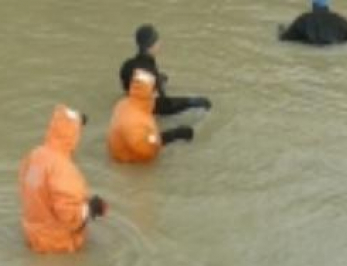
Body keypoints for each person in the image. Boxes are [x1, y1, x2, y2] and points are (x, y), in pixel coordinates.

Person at [18, 105, 107, 253]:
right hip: (58, 245)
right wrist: (91, 208)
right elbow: (69, 215)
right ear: (74, 135)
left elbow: (27, 187)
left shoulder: (35, 155)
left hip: (33, 235)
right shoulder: (63, 168)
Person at [119, 24, 211, 116]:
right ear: (152, 45)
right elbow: (162, 106)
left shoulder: (127, 65)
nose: (160, 44)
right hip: (145, 114)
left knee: (163, 78)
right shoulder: (146, 73)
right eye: (158, 41)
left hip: (133, 103)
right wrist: (191, 102)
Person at [107, 69, 195, 163]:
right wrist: (172, 135)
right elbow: (146, 148)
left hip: (122, 152)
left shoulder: (124, 103)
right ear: (151, 92)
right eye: (156, 90)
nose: (158, 93)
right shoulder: (136, 121)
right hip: (133, 164)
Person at [278, 0, 347, 45]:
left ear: (312, 1)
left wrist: (281, 29)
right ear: (328, 2)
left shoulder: (302, 21)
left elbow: (283, 39)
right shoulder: (342, 22)